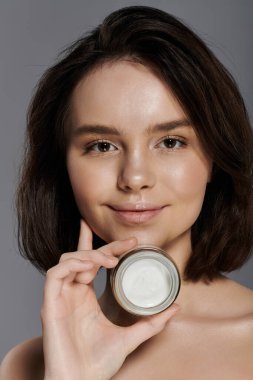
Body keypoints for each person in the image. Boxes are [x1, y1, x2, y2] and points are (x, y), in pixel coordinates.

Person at [1, 5, 253, 379]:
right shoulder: (24, 366)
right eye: (102, 146)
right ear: (63, 167)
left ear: (215, 157)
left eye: (170, 141)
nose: (134, 178)